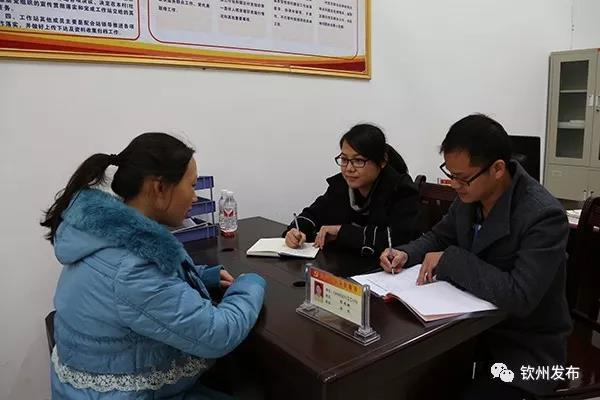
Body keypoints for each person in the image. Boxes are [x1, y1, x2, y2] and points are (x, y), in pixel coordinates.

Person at [41, 132, 266, 399]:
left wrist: (201, 276)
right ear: (159, 188)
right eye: (191, 185)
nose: (195, 197)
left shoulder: (104, 233)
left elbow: (144, 293)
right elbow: (218, 334)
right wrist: (250, 283)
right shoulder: (133, 269)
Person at [379, 114, 572, 399]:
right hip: (468, 338)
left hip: (526, 351)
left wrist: (450, 260)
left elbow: (520, 295)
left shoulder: (543, 215)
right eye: (450, 174)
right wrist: (405, 253)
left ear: (497, 169)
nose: (455, 185)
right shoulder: (470, 195)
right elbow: (439, 236)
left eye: (462, 178)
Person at [283, 124, 420, 256]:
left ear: (382, 161)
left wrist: (342, 232)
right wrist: (296, 232)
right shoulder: (341, 185)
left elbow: (397, 239)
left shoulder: (401, 189)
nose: (349, 168)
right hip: (344, 263)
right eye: (344, 159)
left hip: (383, 268)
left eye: (358, 161)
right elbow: (313, 214)